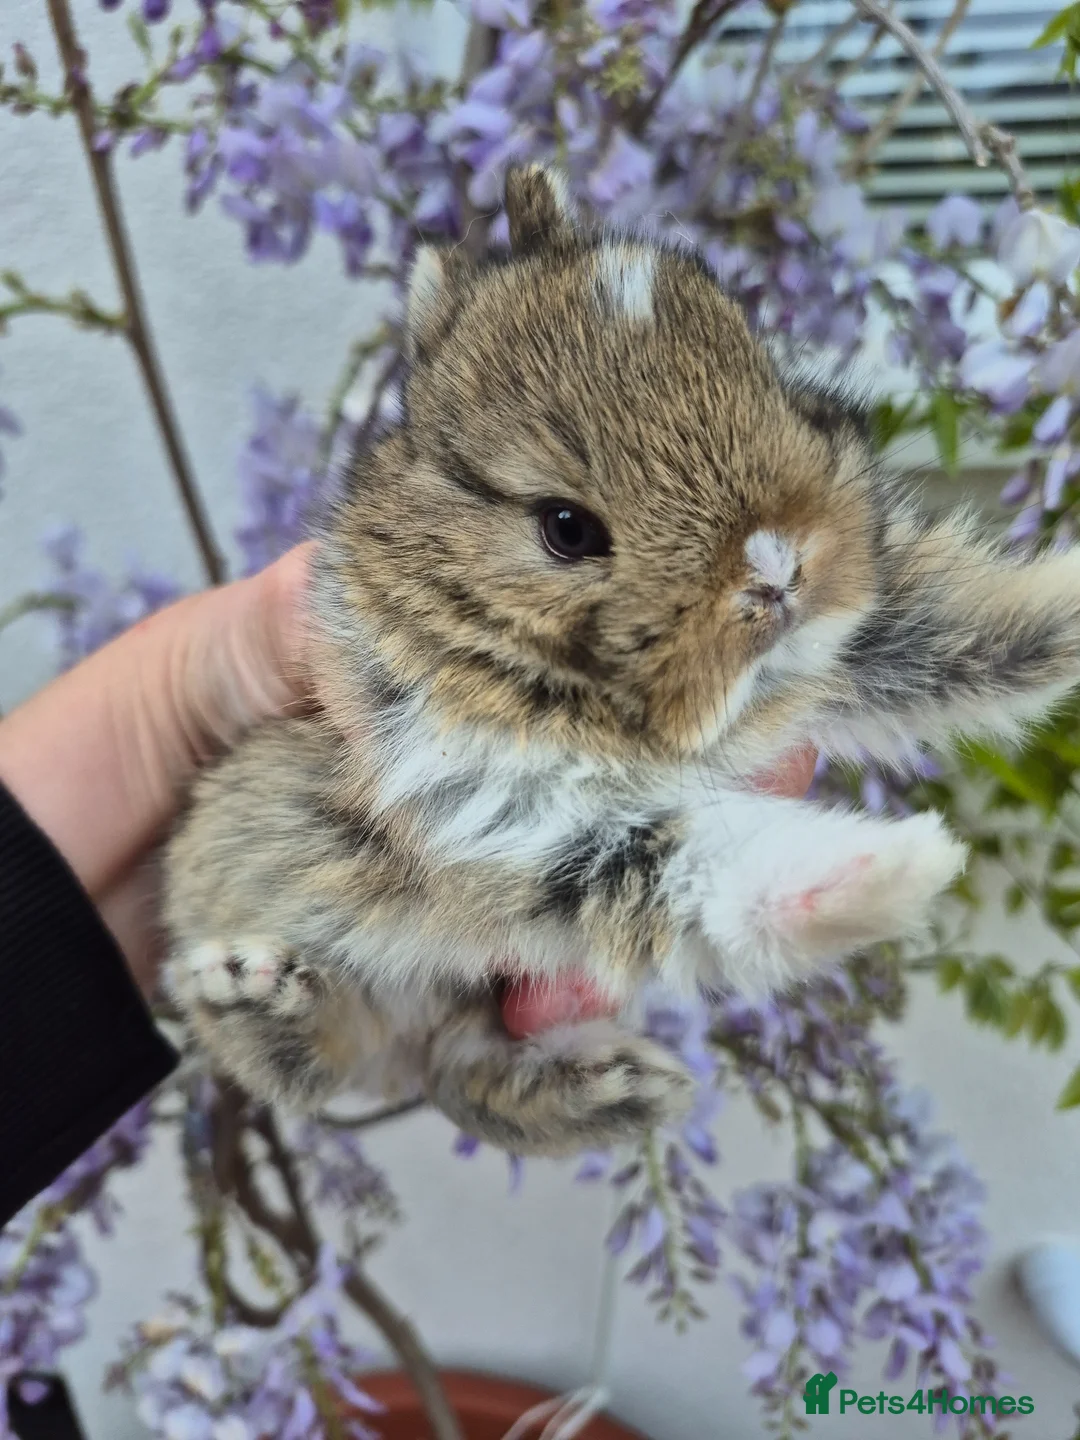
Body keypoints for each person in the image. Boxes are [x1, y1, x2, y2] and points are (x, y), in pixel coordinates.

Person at [0, 542, 816, 1227]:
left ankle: (487, 1069)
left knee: (521, 964)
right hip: (340, 871)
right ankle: (331, 1031)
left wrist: (197, 679)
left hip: (413, 875)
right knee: (342, 956)